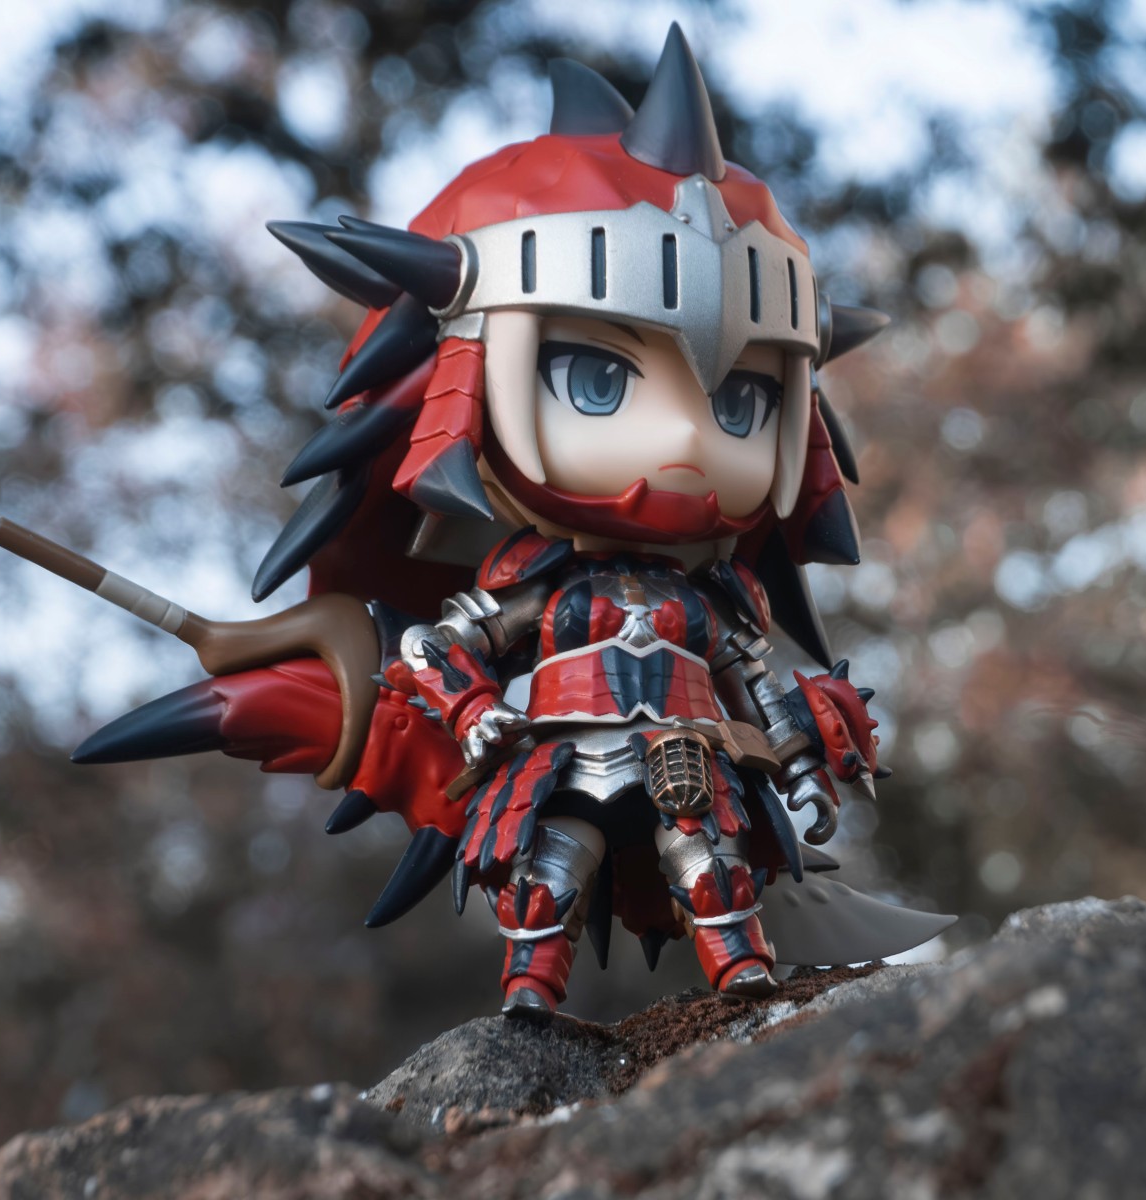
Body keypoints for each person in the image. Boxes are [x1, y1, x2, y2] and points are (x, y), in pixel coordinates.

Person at [73, 25, 950, 1017]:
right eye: (597, 378)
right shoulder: (536, 582)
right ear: (468, 377)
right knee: (548, 874)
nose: (686, 437)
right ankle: (531, 997)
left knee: (709, 866)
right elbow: (443, 646)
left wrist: (801, 764)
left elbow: (759, 682)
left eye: (743, 401)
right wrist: (470, 714)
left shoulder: (716, 599)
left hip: (689, 762)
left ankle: (743, 979)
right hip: (560, 754)